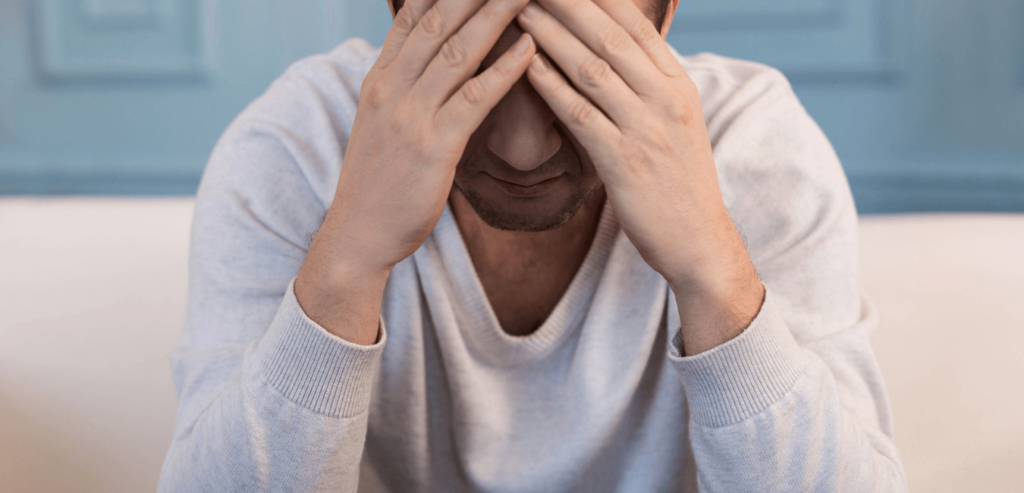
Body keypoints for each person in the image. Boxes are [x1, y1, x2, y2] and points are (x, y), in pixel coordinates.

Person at [158, 0, 908, 490]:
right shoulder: (294, 146)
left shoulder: (755, 148)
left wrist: (712, 268)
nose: (522, 153)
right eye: (482, 65)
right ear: (399, 14)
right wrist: (349, 255)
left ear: (664, 18)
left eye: (575, 72)